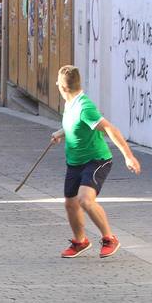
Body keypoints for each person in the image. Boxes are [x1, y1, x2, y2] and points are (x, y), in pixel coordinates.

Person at [50, 65, 141, 259]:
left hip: (96, 160)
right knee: (70, 203)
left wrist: (128, 156)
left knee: (85, 200)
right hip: (74, 161)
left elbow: (110, 129)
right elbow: (76, 125)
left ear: (61, 87)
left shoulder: (85, 106)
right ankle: (80, 242)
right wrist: (60, 133)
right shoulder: (70, 103)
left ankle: (109, 238)